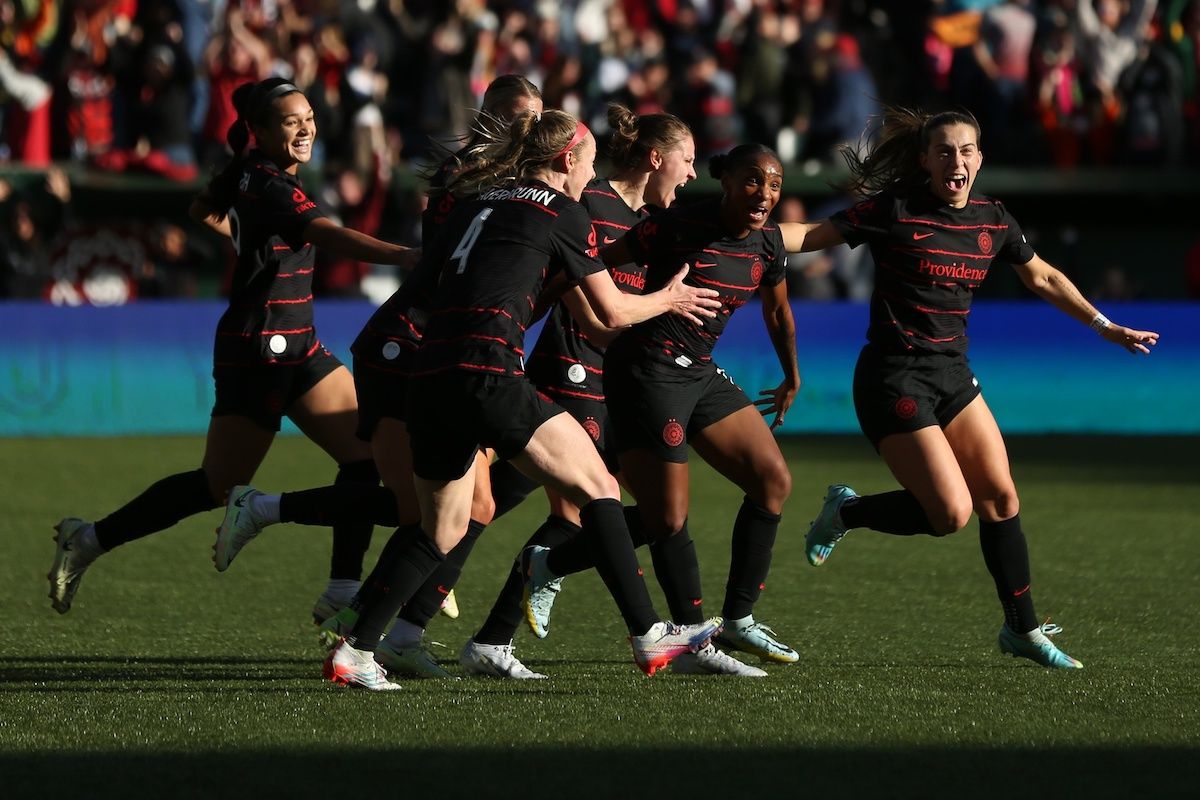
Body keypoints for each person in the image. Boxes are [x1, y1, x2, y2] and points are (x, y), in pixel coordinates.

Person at [322, 109, 724, 690]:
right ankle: (648, 634)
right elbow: (611, 312)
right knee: (599, 488)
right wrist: (668, 298)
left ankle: (356, 651)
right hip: (487, 370)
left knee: (442, 526)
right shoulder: (562, 209)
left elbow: (426, 293)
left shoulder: (473, 205)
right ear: (567, 160)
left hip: (428, 373)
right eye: (588, 165)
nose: (592, 177)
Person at [790, 107, 1159, 669]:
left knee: (1002, 498)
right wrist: (745, 235)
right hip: (892, 378)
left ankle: (1023, 630)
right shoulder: (896, 210)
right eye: (943, 151)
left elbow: (1043, 277)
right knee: (950, 515)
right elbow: (811, 235)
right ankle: (846, 513)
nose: (955, 161)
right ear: (925, 161)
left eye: (966, 151)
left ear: (980, 159)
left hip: (953, 376)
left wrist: (1105, 326)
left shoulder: (994, 218)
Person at [47, 78, 418, 621]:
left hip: (299, 342)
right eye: (291, 121)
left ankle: (342, 588)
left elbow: (203, 210)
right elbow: (326, 234)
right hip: (259, 348)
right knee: (217, 486)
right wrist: (408, 256)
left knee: (362, 455)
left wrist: (249, 239)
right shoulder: (270, 184)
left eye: (308, 116)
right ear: (261, 132)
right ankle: (89, 540)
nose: (306, 128)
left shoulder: (247, 173)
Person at [212, 75, 546, 679]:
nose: (530, 132)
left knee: (473, 505)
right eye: (519, 119)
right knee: (421, 508)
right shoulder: (475, 182)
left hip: (441, 348)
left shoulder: (514, 185)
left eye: (537, 120)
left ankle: (390, 628)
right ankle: (278, 524)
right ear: (491, 122)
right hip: (411, 346)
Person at [460, 104, 767, 679]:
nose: (693, 174)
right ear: (657, 158)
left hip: (618, 375)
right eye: (689, 161)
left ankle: (453, 618)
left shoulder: (663, 222)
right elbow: (554, 282)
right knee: (598, 507)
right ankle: (661, 634)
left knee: (505, 502)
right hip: (573, 369)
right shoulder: (586, 204)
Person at [520, 143, 802, 668]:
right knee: (667, 519)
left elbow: (780, 313)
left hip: (700, 370)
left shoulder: (769, 245)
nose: (764, 194)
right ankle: (694, 641)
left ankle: (737, 620)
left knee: (773, 481)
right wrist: (525, 316)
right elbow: (591, 264)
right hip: (646, 371)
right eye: (752, 181)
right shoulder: (677, 226)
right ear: (726, 182)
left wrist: (791, 375)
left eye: (774, 184)